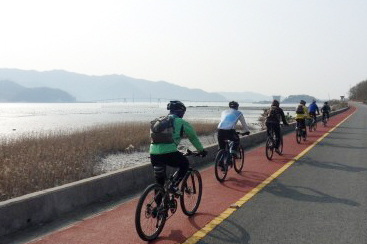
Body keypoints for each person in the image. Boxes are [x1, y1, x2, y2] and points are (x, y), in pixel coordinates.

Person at [149, 100, 207, 195]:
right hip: (168, 153)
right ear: (180, 112)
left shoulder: (160, 121)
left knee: (159, 182)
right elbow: (193, 137)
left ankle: (158, 208)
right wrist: (201, 150)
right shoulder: (181, 122)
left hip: (153, 153)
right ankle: (174, 185)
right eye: (183, 112)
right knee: (184, 164)